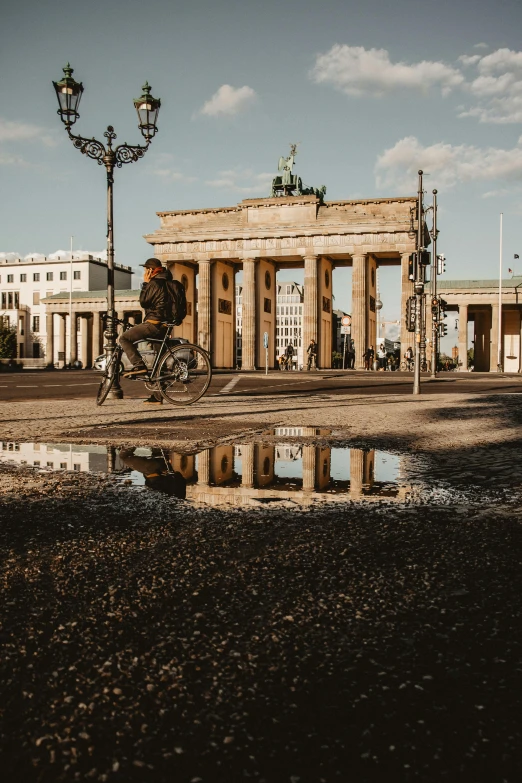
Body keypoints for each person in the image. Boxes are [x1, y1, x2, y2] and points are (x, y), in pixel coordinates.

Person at [119, 258, 172, 405]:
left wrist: (145, 284)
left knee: (124, 339)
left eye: (145, 270)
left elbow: (144, 301)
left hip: (154, 324)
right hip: (165, 326)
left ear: (151, 270)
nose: (144, 272)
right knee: (159, 362)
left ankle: (139, 366)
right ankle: (157, 397)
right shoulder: (171, 283)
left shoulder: (155, 283)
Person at [119, 447, 187, 498]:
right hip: (152, 470)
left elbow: (180, 478)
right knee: (124, 456)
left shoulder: (177, 498)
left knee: (158, 451)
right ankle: (132, 441)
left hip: (164, 467)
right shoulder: (162, 500)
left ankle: (159, 446)